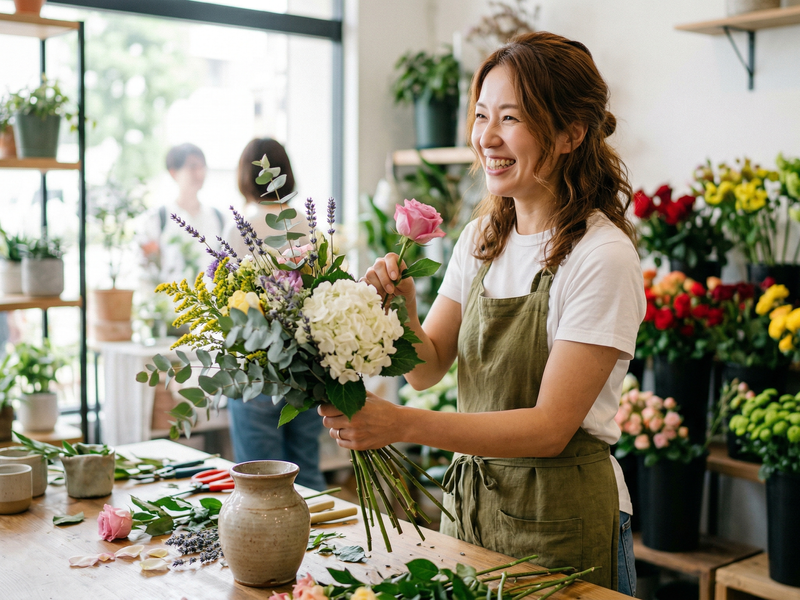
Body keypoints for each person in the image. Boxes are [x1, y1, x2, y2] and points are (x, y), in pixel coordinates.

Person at [319, 32, 644, 594]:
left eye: (511, 118)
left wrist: (400, 424)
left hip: (561, 521)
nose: (486, 138)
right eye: (480, 115)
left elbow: (548, 428)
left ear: (572, 133)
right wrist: (405, 315)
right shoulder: (481, 238)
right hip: (470, 514)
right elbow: (428, 367)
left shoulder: (602, 256)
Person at [224, 138, 327, 492]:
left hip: (256, 372)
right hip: (307, 369)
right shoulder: (309, 228)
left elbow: (225, 308)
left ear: (245, 178)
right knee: (307, 475)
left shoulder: (239, 230)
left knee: (261, 486)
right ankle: (322, 545)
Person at [138, 143, 225, 287]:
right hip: (171, 306)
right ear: (173, 172)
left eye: (202, 167)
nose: (199, 173)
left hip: (213, 306)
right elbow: (146, 272)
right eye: (192, 167)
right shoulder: (159, 219)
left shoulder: (218, 218)